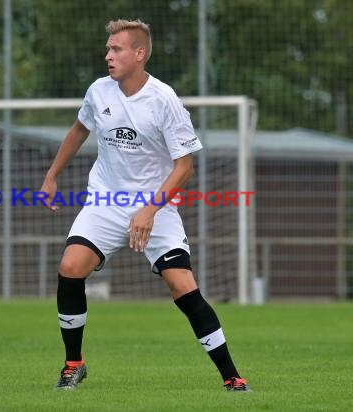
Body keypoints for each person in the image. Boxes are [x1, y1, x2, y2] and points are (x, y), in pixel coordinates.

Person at [40, 19, 249, 392]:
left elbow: (185, 165)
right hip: (105, 200)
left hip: (157, 205)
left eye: (116, 49)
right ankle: (73, 364)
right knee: (71, 266)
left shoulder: (164, 100)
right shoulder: (99, 91)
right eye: (107, 49)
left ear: (139, 54)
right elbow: (79, 129)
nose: (108, 55)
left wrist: (150, 209)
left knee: (182, 286)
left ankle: (232, 377)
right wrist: (52, 175)